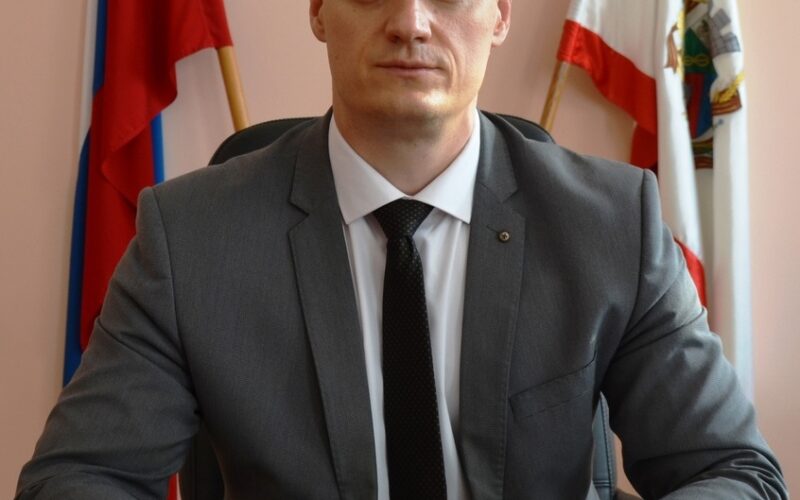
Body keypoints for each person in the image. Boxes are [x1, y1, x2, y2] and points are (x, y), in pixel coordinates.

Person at [17, 0, 787, 498]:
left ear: (499, 13)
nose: (412, 22)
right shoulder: (190, 239)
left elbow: (731, 471)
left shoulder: (613, 224)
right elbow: (79, 478)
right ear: (319, 11)